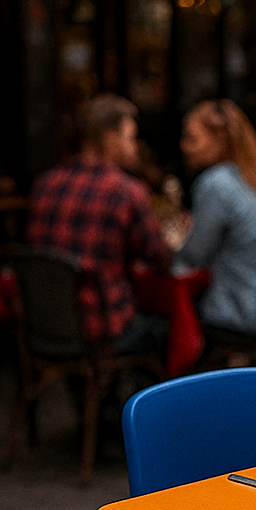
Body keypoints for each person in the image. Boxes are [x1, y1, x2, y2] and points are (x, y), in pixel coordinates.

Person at [26, 93, 170, 351]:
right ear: (109, 138)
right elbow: (159, 258)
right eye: (130, 138)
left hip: (43, 323)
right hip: (103, 327)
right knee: (166, 325)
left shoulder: (45, 184)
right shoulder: (126, 191)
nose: (135, 146)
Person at [174, 100, 256, 338]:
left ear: (221, 138)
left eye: (192, 139)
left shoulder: (216, 183)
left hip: (240, 311)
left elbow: (193, 257)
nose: (184, 147)